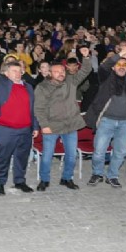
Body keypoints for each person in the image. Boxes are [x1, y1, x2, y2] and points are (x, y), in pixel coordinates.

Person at [84, 44, 126, 187]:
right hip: (106, 121)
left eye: (125, 65)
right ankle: (97, 174)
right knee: (99, 152)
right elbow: (104, 67)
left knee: (119, 153)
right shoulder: (106, 77)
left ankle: (112, 176)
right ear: (114, 67)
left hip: (125, 123)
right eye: (119, 64)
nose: (122, 66)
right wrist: (119, 54)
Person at [0, 46, 40, 196]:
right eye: (14, 70)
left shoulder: (28, 87)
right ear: (6, 73)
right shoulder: (0, 83)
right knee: (3, 157)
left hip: (25, 130)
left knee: (22, 157)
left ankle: (19, 181)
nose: (18, 73)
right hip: (5, 129)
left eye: (19, 70)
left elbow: (31, 108)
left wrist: (35, 126)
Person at [34, 47, 92, 191]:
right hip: (52, 126)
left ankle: (67, 178)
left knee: (71, 156)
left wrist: (85, 57)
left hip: (70, 124)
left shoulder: (71, 81)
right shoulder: (42, 87)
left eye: (62, 71)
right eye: (56, 72)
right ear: (49, 73)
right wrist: (44, 125)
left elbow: (85, 71)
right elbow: (38, 109)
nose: (60, 74)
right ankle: (44, 180)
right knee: (47, 156)